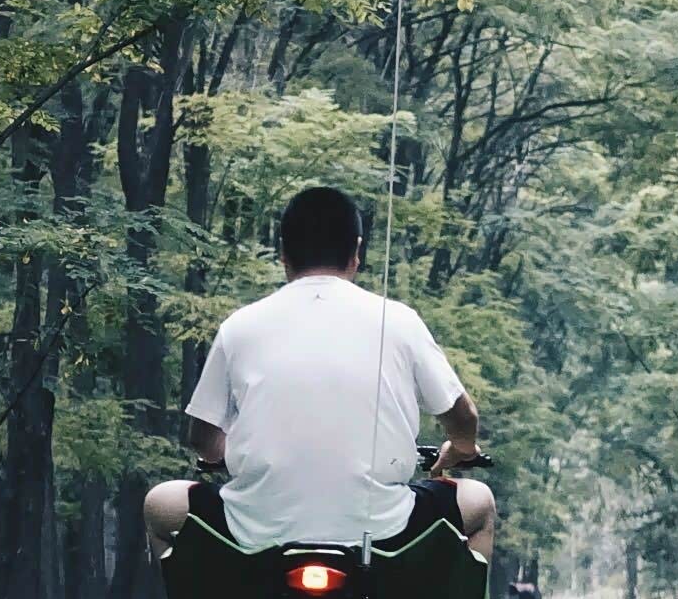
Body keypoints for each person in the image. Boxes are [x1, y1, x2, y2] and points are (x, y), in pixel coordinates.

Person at [143, 186, 495, 564]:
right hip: (385, 530)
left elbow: (203, 438)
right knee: (479, 502)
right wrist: (460, 450)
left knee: (159, 505)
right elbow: (463, 418)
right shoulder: (399, 320)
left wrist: (228, 455)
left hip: (254, 530)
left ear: (283, 252)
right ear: (356, 251)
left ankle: (197, 598)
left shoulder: (239, 326)